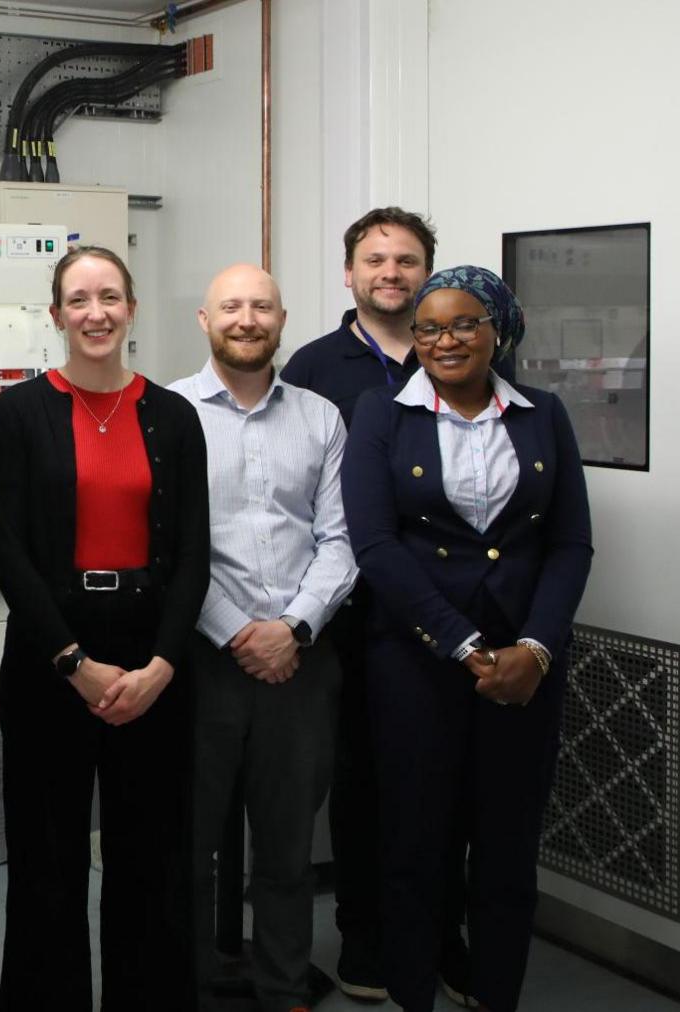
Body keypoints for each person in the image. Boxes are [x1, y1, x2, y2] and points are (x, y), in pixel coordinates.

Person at [342, 265, 592, 1012]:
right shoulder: (381, 414)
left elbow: (570, 545)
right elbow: (376, 545)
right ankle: (416, 992)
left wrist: (537, 648)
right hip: (416, 664)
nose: (444, 340)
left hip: (525, 670)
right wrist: (462, 644)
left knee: (509, 853)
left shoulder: (543, 414)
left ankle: (494, 995)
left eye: (463, 325)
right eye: (428, 328)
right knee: (416, 849)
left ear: (498, 330)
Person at [0, 245, 209, 1010]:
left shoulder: (173, 416)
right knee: (46, 862)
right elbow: (6, 548)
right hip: (52, 650)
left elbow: (192, 555)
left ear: (132, 310)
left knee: (151, 859)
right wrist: (73, 660)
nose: (95, 313)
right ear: (55, 316)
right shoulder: (16, 413)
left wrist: (162, 665)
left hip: (151, 653)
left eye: (109, 297)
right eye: (78, 299)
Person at [280, 208, 475, 1005]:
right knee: (362, 781)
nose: (389, 272)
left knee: (451, 781)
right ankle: (365, 934)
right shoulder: (315, 366)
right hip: (355, 616)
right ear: (349, 273)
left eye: (406, 259)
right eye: (374, 259)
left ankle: (443, 937)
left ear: (429, 270)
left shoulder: (462, 356)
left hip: (454, 609)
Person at [173, 264, 357, 1012]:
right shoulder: (170, 412)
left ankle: (284, 986)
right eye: (231, 307)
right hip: (196, 663)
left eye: (261, 307)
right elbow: (170, 545)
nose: (246, 319)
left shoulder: (321, 418)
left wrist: (292, 627)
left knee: (285, 850)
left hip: (301, 665)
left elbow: (342, 539)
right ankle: (181, 983)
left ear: (282, 319)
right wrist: (235, 631)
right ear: (203, 318)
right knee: (188, 846)